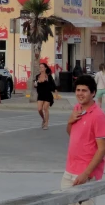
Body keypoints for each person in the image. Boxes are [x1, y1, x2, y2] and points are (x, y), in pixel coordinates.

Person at [62, 74, 105, 203]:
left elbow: (102, 149)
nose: (80, 94)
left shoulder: (98, 116)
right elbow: (72, 134)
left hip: (86, 174)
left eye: (84, 90)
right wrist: (70, 121)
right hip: (69, 169)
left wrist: (86, 174)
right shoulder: (77, 109)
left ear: (93, 93)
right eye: (78, 90)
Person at [34, 63, 57, 130]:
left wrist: (56, 93)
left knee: (45, 108)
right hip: (40, 94)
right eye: (40, 67)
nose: (41, 68)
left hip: (47, 94)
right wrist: (35, 84)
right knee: (39, 109)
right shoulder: (37, 76)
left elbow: (53, 85)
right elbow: (36, 85)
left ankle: (46, 123)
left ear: (45, 68)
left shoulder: (49, 76)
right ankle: (43, 119)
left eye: (42, 67)